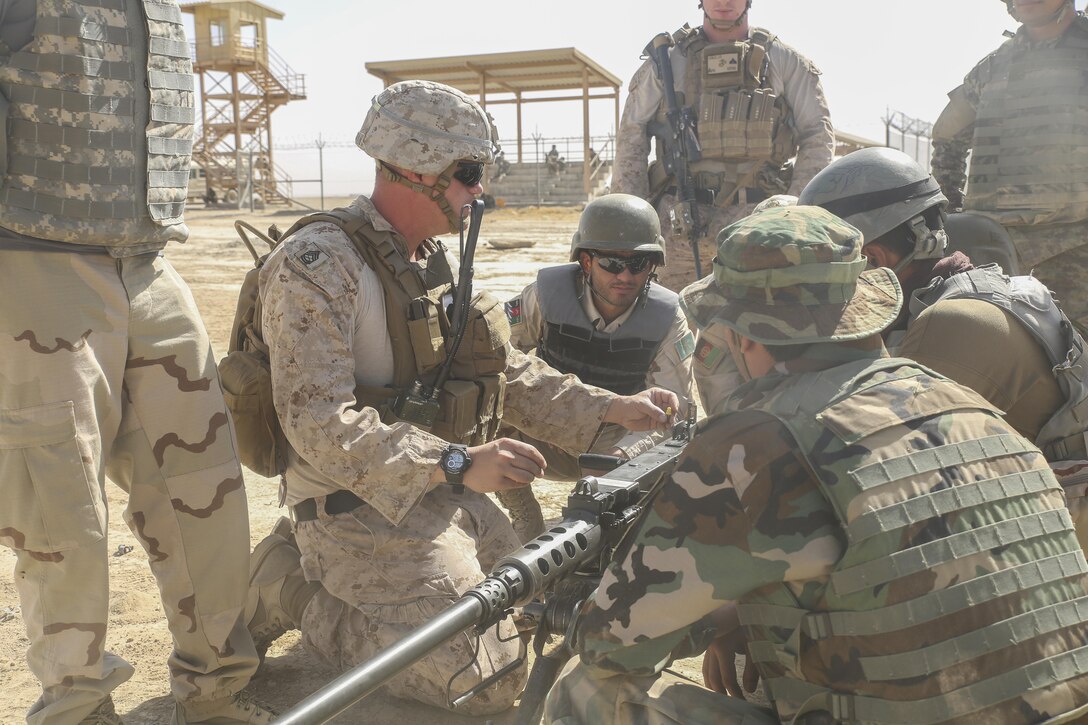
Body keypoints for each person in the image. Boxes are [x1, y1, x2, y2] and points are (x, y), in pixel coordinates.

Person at [544, 205, 1088, 725]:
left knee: (585, 688)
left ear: (744, 335)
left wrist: (711, 615)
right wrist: (744, 614)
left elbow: (609, 644)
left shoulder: (756, 442)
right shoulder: (968, 405)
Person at [244, 80, 678, 716]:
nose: (479, 191)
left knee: (532, 616)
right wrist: (452, 464)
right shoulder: (318, 265)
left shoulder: (428, 262)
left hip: (444, 497)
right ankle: (289, 588)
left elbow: (505, 373)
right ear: (416, 166)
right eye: (468, 173)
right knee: (484, 680)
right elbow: (316, 421)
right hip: (356, 508)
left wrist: (611, 407)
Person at [0, 1, 271, 724]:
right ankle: (78, 710)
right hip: (31, 257)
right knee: (63, 517)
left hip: (148, 260)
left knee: (204, 491)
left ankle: (212, 691)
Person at [498, 193, 697, 541]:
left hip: (614, 446)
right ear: (586, 262)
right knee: (478, 397)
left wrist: (623, 457)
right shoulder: (544, 296)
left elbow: (674, 408)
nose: (625, 276)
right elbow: (493, 359)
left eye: (638, 264)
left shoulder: (667, 317)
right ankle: (522, 511)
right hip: (540, 431)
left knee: (679, 438)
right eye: (612, 264)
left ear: (653, 266)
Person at [613, 0, 834, 291]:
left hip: (758, 225)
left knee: (754, 328)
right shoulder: (666, 61)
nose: (724, 2)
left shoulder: (784, 62)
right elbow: (631, 138)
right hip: (678, 223)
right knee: (666, 324)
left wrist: (794, 214)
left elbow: (817, 138)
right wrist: (629, 224)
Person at [931, 0, 1088, 334]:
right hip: (992, 250)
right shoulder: (990, 69)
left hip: (1074, 247)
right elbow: (947, 137)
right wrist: (952, 215)